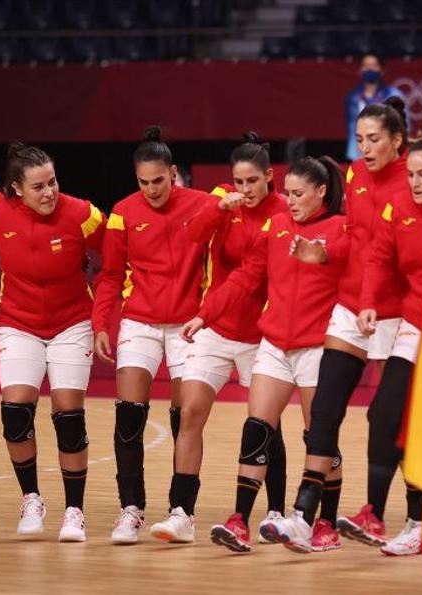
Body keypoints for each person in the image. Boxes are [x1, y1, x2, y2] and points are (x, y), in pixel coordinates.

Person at [186, 156, 350, 554]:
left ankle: (324, 523)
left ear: (321, 191)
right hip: (276, 344)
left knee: (319, 437)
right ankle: (239, 519)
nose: (289, 201)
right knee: (257, 427)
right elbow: (246, 276)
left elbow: (350, 262)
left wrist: (323, 255)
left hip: (318, 347)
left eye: (298, 194)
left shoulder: (341, 228)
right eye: (288, 193)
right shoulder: (276, 227)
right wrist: (204, 315)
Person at [268, 97, 409, 552]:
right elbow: (356, 238)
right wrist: (325, 254)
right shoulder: (354, 174)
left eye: (374, 140)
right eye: (361, 138)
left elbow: (391, 253)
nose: (364, 148)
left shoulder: (414, 182)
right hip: (352, 305)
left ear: (397, 142)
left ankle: (408, 514)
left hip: (394, 312)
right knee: (324, 412)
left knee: (390, 418)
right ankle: (305, 516)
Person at [91, 127, 211, 545]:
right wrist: (101, 323)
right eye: (143, 182)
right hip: (139, 322)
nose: (151, 189)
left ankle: (183, 510)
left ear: (173, 173)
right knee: (129, 417)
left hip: (187, 325)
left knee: (186, 418)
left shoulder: (202, 205)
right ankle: (132, 509)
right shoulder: (123, 212)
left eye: (158, 180)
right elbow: (108, 275)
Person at [0, 143, 105, 543]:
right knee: (15, 414)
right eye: (38, 186)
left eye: (52, 182)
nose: (49, 192)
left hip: (72, 324)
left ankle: (74, 511)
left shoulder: (83, 215)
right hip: (19, 323)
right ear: (16, 187)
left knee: (69, 416)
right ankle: (31, 498)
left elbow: (119, 253)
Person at [334, 115, 422, 555]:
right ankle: (389, 516)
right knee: (386, 414)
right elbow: (377, 257)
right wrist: (369, 300)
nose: (413, 182)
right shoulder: (399, 208)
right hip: (415, 326)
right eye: (411, 174)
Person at [184, 135, 293, 552]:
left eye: (252, 181)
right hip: (217, 326)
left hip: (260, 332)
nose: (245, 190)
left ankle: (277, 510)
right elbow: (192, 236)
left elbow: (249, 277)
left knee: (267, 424)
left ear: (270, 177)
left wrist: (203, 313)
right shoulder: (223, 201)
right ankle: (182, 511)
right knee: (191, 409)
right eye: (238, 182)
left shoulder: (283, 212)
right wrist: (217, 208)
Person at [344, 54, 403, 161]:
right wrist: (354, 151)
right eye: (366, 65)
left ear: (382, 70)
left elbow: (402, 125)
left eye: (374, 65)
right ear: (360, 70)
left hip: (386, 152)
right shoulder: (353, 97)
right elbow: (351, 127)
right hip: (358, 154)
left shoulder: (393, 94)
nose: (369, 69)